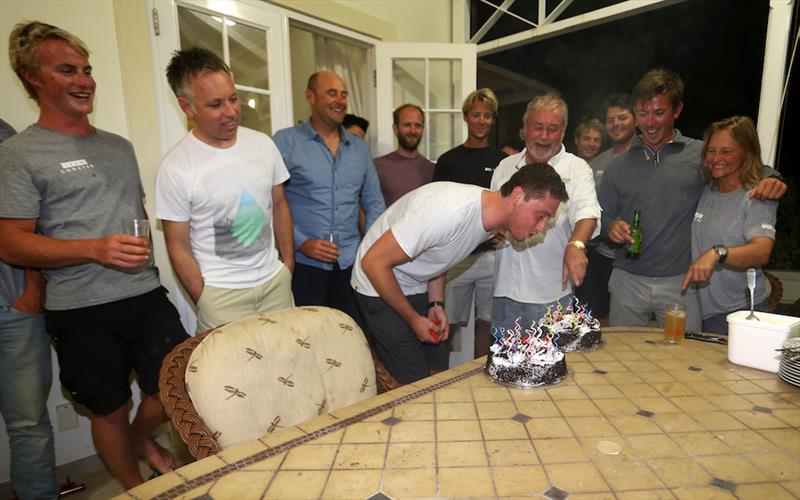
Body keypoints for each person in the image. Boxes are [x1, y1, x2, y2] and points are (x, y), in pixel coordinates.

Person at [0, 21, 187, 489]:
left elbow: (135, 214)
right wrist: (94, 249)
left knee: (177, 381)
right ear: (32, 78)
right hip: (81, 308)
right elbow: (11, 243)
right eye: (67, 70)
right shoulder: (19, 154)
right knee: (108, 408)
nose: (84, 80)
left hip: (144, 291)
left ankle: (141, 439)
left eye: (86, 69)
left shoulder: (118, 146)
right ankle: (136, 489)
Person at [598, 68, 785, 332]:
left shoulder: (701, 155)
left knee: (685, 359)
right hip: (627, 281)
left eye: (659, 112)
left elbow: (743, 163)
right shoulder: (617, 166)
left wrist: (774, 178)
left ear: (677, 110)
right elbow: (598, 216)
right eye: (643, 113)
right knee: (623, 356)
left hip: (682, 282)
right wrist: (610, 226)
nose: (650, 122)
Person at [351, 164, 568, 384]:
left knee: (438, 371)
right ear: (518, 196)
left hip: (414, 281)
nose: (541, 228)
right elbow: (373, 262)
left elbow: (441, 254)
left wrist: (436, 304)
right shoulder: (447, 214)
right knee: (414, 383)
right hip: (376, 283)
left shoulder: (493, 220)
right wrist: (413, 318)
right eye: (541, 216)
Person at [156, 47, 294, 332]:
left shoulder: (263, 145)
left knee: (286, 366)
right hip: (221, 295)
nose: (231, 112)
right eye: (216, 104)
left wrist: (287, 265)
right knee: (230, 376)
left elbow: (279, 204)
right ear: (187, 107)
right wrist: (205, 297)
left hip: (275, 285)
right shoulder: (176, 167)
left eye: (233, 98)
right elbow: (177, 245)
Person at [274, 71, 385, 327]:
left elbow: (374, 202)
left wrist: (368, 248)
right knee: (306, 341)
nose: (340, 100)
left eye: (344, 94)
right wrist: (301, 242)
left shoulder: (359, 149)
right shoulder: (285, 142)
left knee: (351, 338)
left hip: (350, 266)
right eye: (332, 93)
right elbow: (270, 203)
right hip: (303, 267)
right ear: (310, 97)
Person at [491, 94, 600, 328]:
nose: (544, 136)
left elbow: (587, 214)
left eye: (552, 129)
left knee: (552, 362)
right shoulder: (505, 166)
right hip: (504, 290)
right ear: (524, 128)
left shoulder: (577, 168)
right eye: (537, 127)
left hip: (552, 295)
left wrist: (576, 245)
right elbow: (493, 214)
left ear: (563, 132)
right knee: (504, 362)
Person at [0, 118, 58, 499]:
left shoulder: (4, 138)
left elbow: (28, 223)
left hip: (11, 306)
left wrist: (33, 285)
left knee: (29, 423)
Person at [682, 116, 777, 334]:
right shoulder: (708, 190)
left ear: (747, 152)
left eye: (726, 151)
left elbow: (762, 251)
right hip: (703, 310)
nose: (716, 158)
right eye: (711, 151)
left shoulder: (756, 197)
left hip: (739, 312)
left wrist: (717, 253)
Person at [433, 88, 506, 358]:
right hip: (456, 258)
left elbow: (508, 205)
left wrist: (501, 231)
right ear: (466, 117)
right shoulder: (448, 161)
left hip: (491, 258)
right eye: (476, 115)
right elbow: (437, 208)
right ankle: (437, 375)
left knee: (488, 323)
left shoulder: (502, 162)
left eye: (487, 116)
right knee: (444, 322)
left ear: (493, 119)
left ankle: (481, 376)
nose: (481, 121)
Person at [574, 94, 636, 318]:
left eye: (622, 117)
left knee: (629, 325)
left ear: (635, 118)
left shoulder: (646, 156)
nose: (616, 124)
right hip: (600, 253)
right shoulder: (598, 162)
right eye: (611, 120)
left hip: (635, 257)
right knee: (591, 318)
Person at [373, 104, 434, 206]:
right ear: (395, 128)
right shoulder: (376, 166)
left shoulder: (432, 170)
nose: (413, 131)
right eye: (407, 125)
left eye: (418, 125)